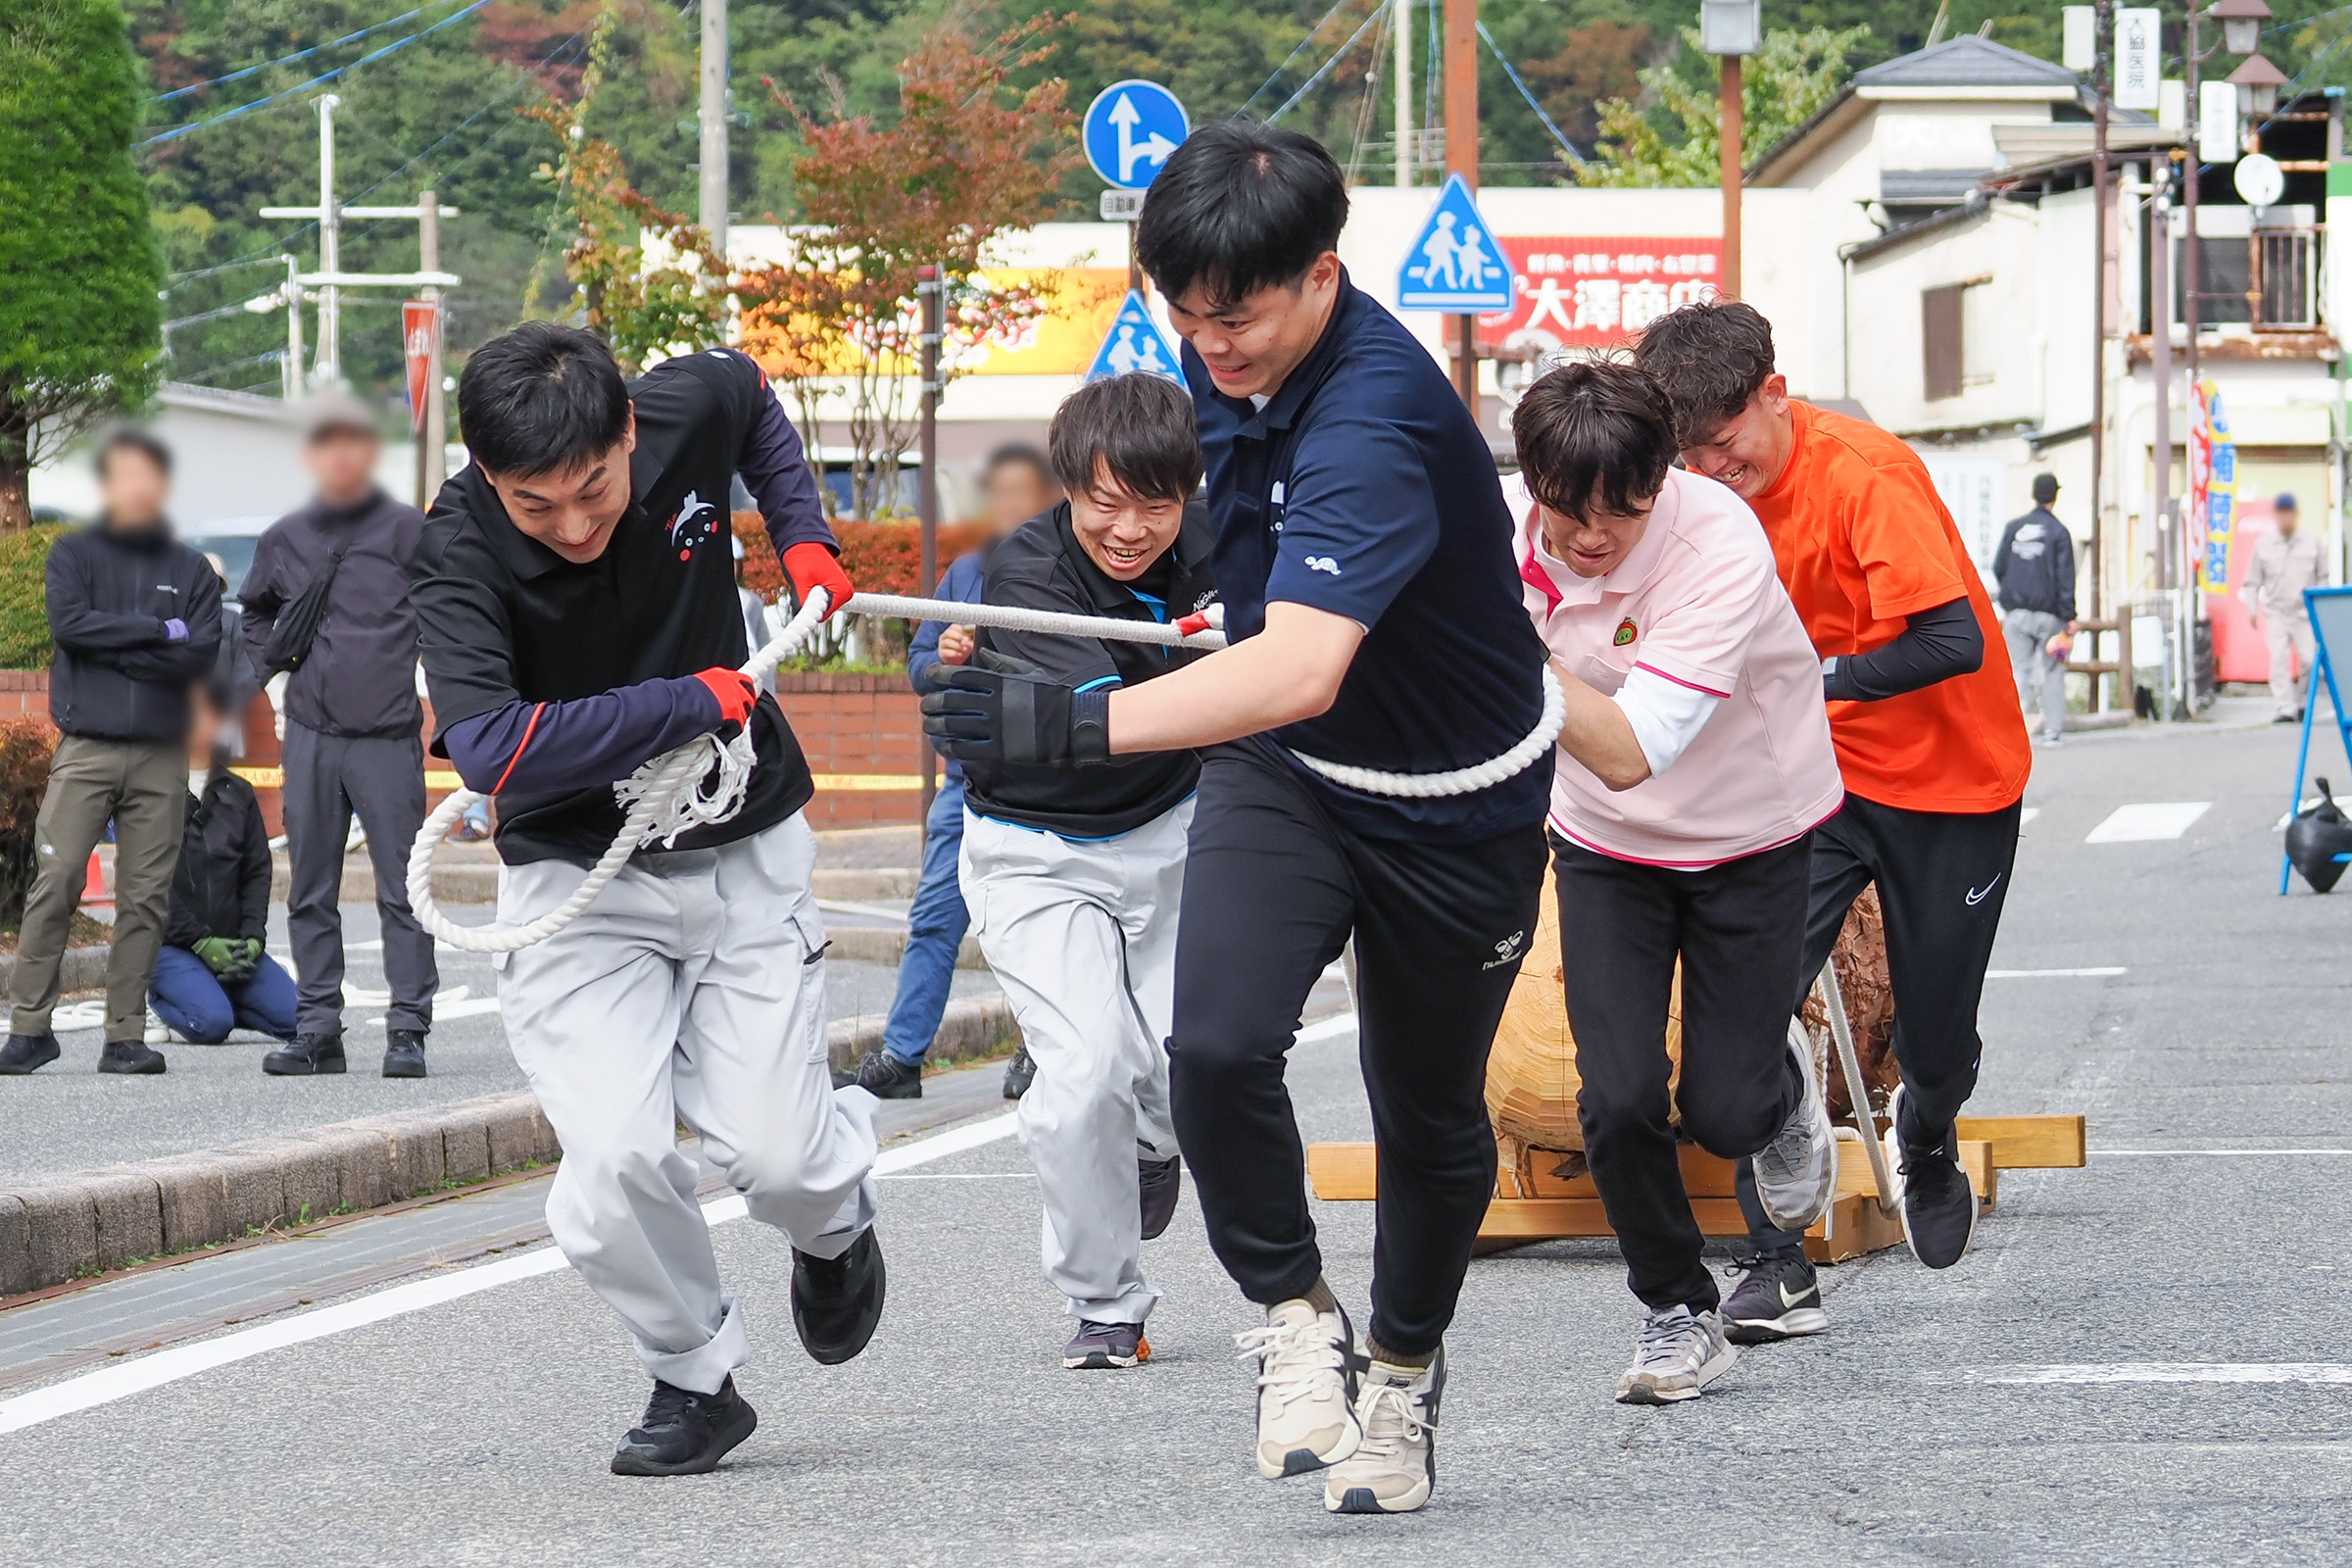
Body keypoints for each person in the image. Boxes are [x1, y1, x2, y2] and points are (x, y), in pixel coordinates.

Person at [926, 124, 1549, 1515]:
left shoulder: (1376, 414)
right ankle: (1292, 1317)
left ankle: (1400, 1370)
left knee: (1427, 1108)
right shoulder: (1219, 373)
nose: (1213, 344)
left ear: (1322, 275)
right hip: (1294, 773)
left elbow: (1301, 657)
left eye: (1241, 314)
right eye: (1185, 313)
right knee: (1209, 1045)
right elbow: (1215, 618)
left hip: (1455, 801)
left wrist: (1073, 723)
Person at [411, 324, 884, 1477]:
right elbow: (491, 746)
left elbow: (753, 395)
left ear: (631, 435)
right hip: (580, 879)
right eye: (537, 506)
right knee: (609, 1167)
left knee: (776, 1156)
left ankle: (835, 1227)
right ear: (484, 474)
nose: (572, 526)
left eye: (594, 491)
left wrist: (804, 529)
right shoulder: (454, 548)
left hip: (741, 843)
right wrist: (687, 699)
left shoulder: (681, 409)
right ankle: (693, 1373)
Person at [1634, 301, 2030, 1331]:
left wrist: (1816, 674)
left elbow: (1954, 643)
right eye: (1692, 458)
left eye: (1726, 447)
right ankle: (1779, 1255)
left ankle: (1929, 1128)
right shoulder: (1690, 495)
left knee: (1934, 1038)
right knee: (1741, 1012)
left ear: (1774, 392)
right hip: (1813, 784)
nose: (1714, 474)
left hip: (1955, 780)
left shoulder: (1864, 476)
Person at [1505, 362, 1843, 1403]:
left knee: (1726, 1111)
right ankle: (1675, 1308)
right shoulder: (1504, 531)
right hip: (1607, 844)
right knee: (1612, 1096)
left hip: (1749, 828)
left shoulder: (1718, 545)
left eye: (1624, 510)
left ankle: (1779, 1094)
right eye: (1568, 512)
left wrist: (1502, 645)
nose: (1593, 536)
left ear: (1664, 478)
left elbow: (1635, 746)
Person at [951, 376, 1213, 1372]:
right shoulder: (1025, 572)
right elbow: (1117, 722)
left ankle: (1157, 1139)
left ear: (1188, 491)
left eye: (1155, 501)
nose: (1129, 526)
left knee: (1201, 1061)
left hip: (1180, 829)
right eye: (1104, 499)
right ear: (1068, 488)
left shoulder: (1226, 548)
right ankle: (1107, 1300)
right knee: (1080, 1074)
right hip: (1036, 851)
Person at [844, 444, 1061, 1102]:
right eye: (1001, 494)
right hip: (964, 784)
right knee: (936, 916)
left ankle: (1039, 1047)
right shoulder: (967, 572)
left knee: (1037, 920)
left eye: (1023, 492)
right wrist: (944, 655)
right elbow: (918, 665)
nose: (1011, 506)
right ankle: (903, 1056)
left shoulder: (1064, 574)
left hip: (1043, 785)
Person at [0, 429, 220, 1077]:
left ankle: (125, 1035)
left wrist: (116, 644)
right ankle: (30, 1028)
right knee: (57, 882)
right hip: (87, 748)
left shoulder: (188, 568)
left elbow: (200, 653)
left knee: (146, 896)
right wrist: (157, 633)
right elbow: (72, 627)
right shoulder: (74, 555)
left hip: (161, 757)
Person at [241, 397, 439, 1079]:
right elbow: (255, 614)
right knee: (310, 888)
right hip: (313, 735)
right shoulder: (286, 536)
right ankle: (318, 1029)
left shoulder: (409, 531)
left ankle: (408, 1028)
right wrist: (255, 681)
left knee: (402, 890)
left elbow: (449, 616)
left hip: (387, 736)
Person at [149, 680, 296, 1045]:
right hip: (171, 946)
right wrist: (199, 941)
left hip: (231, 944)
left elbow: (257, 871)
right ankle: (161, 1001)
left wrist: (252, 937)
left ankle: (219, 997)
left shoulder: (238, 792)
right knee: (211, 1025)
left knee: (301, 1021)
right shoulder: (151, 791)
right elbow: (150, 879)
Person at [1992, 473, 2078, 746]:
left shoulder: (2013, 527)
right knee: (2053, 671)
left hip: (2016, 614)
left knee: (2017, 671)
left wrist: (2008, 601)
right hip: (2050, 617)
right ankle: (2052, 731)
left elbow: (1999, 567)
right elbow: (2066, 578)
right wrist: (2069, 615)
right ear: (2055, 496)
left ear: (2033, 494)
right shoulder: (2059, 533)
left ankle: (2008, 734)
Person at [2243, 493, 2323, 723]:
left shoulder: (2312, 541)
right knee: (2279, 659)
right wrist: (2251, 608)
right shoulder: (2264, 543)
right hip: (2276, 611)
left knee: (2310, 660)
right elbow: (2252, 580)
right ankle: (2285, 707)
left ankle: (2302, 703)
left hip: (2305, 611)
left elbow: (2323, 576)